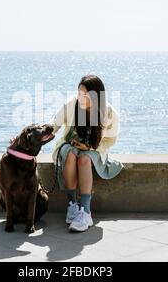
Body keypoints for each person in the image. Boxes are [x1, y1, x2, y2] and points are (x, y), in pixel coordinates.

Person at [50, 74, 124, 232]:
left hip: (94, 149)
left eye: (85, 94)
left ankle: (85, 212)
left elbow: (109, 141)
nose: (81, 97)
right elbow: (53, 126)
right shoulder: (72, 104)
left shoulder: (109, 113)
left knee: (84, 159)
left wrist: (90, 148)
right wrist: (24, 137)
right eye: (79, 93)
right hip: (69, 145)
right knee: (70, 154)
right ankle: (72, 206)